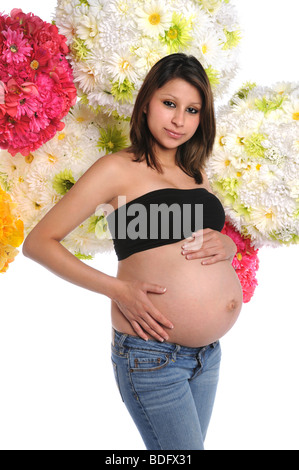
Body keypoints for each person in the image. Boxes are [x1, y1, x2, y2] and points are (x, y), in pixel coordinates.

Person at [23, 53, 243, 450]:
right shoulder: (117, 169)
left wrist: (226, 245)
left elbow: (201, 243)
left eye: (192, 110)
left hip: (207, 356)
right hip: (152, 354)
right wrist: (117, 289)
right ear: (146, 103)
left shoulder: (197, 174)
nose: (179, 120)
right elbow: (39, 243)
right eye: (169, 104)